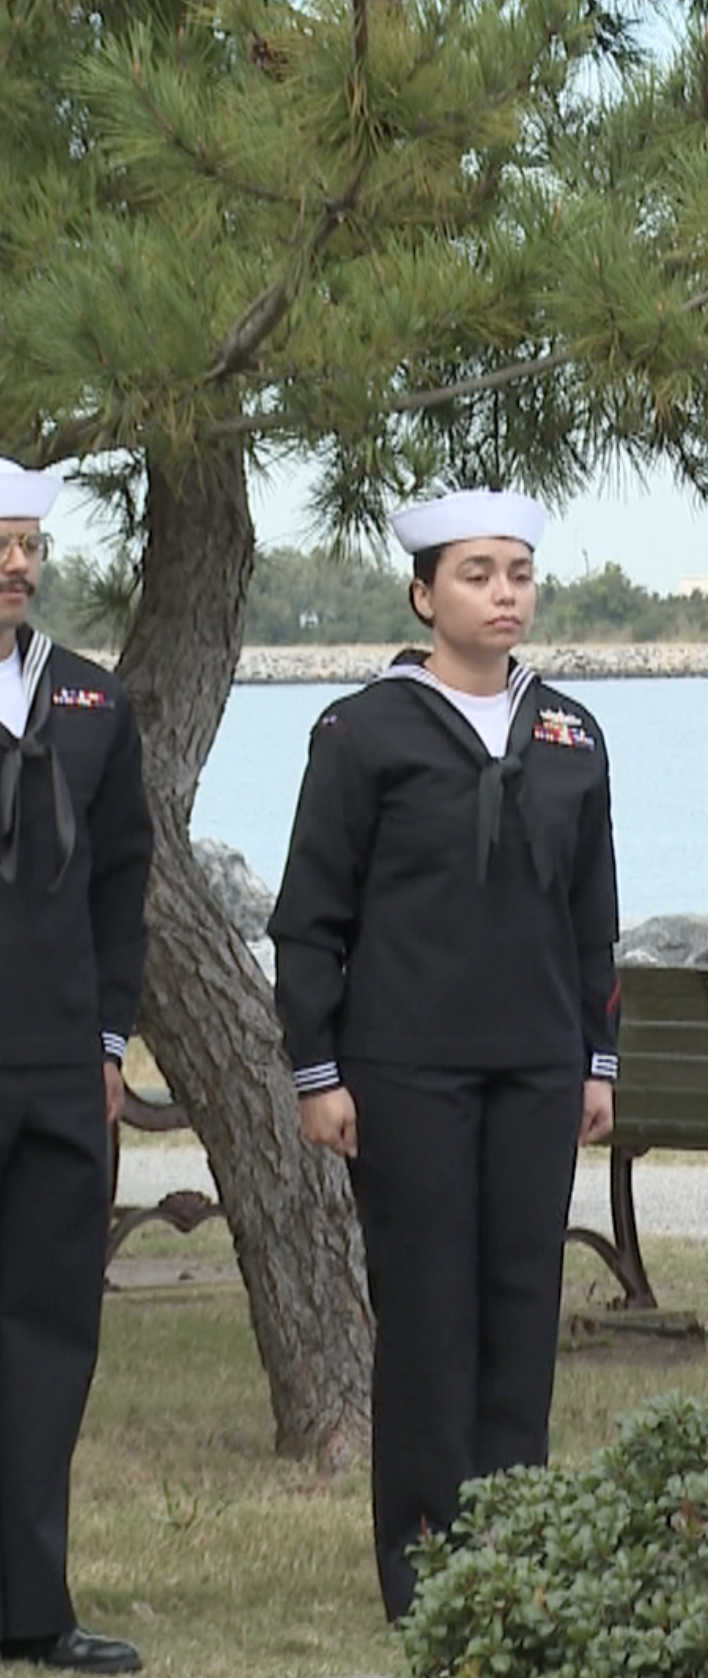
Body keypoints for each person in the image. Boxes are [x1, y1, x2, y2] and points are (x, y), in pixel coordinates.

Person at [268, 489, 620, 1622]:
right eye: (477, 573)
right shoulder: (364, 731)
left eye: (518, 571)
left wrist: (596, 1061)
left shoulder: (569, 731)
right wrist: (318, 1070)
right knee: (427, 1316)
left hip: (534, 1068)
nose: (504, 592)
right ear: (425, 594)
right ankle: (425, 1570)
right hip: (405, 1069)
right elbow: (310, 915)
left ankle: (516, 1549)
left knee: (522, 1307)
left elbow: (592, 914)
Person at [0, 460, 151, 1675]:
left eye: (29, 545)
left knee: (50, 1335)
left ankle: (33, 1608)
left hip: (55, 1067)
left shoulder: (92, 702)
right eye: (0, 544)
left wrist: (108, 1042)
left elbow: (119, 885)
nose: (18, 564)